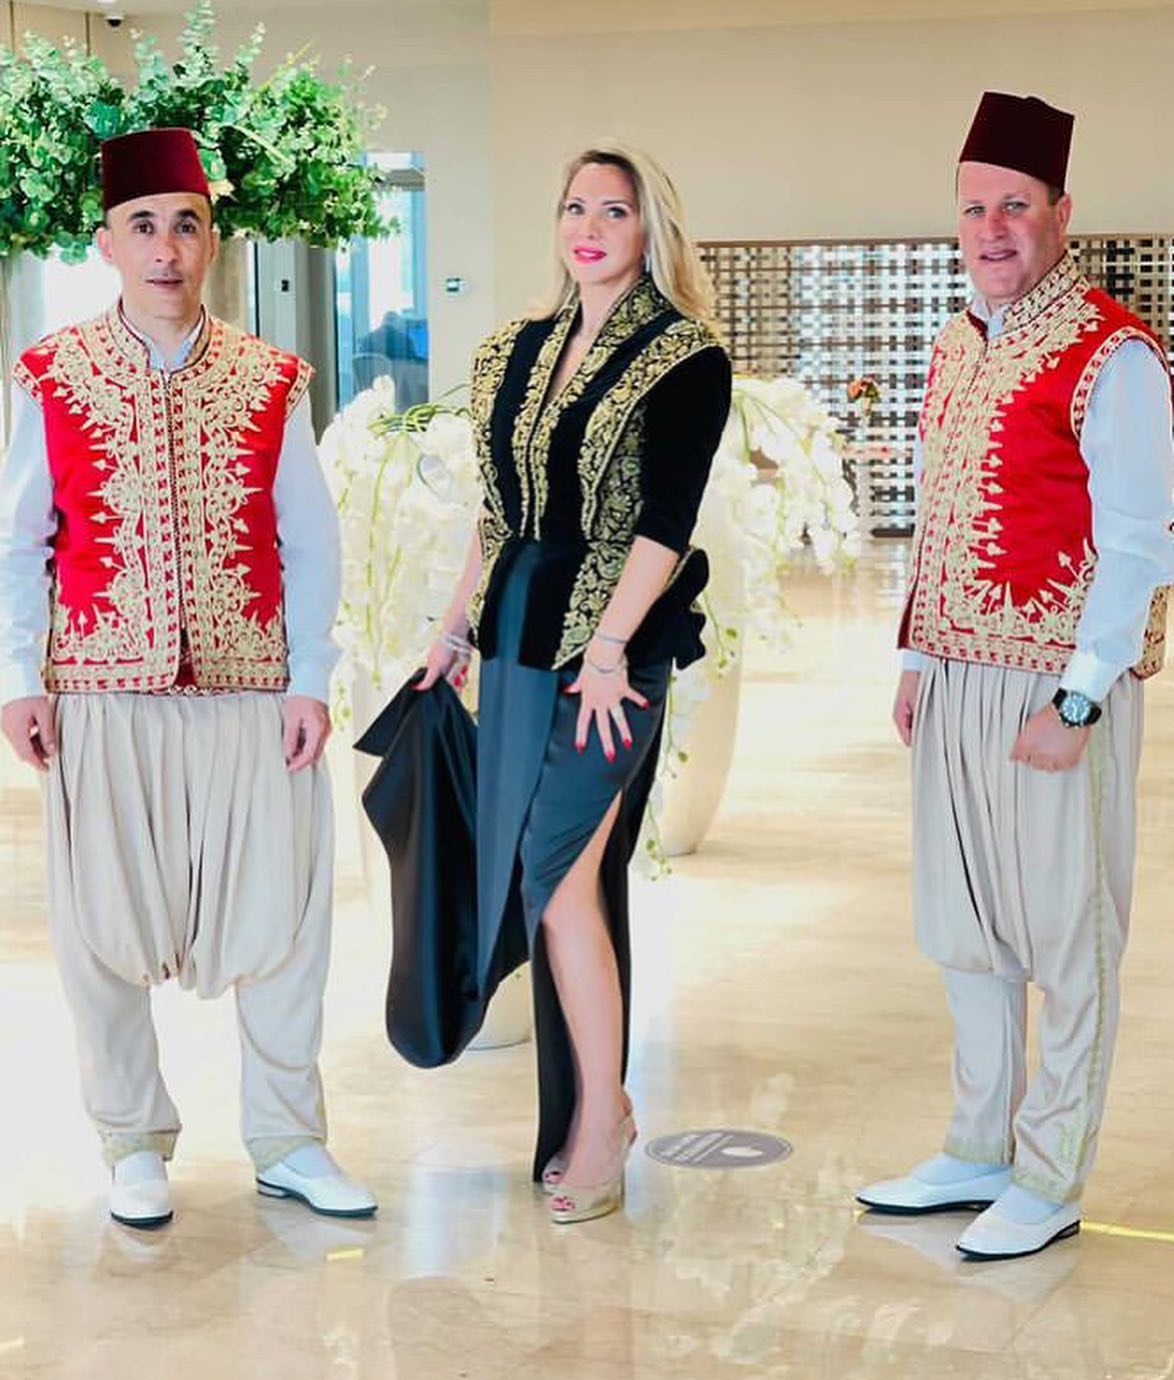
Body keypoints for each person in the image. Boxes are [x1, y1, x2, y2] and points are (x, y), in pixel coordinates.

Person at [0, 127, 376, 1228]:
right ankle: (131, 1140)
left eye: (187, 225)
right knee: (101, 930)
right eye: (143, 227)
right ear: (106, 243)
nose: (165, 249)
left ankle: (289, 1138)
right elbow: (20, 539)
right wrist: (18, 675)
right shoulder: (53, 374)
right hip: (99, 690)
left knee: (284, 921)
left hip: (252, 691)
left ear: (214, 240)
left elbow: (309, 539)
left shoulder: (270, 379)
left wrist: (310, 677)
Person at [857, 93, 1174, 1260]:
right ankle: (978, 1146)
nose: (990, 229)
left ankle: (1048, 1175)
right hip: (952, 679)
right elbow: (938, 508)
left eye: (1013, 205)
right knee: (966, 929)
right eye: (972, 208)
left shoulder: (1113, 352)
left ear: (1059, 212)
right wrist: (913, 656)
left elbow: (1141, 540)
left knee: (1065, 939)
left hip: (1054, 691)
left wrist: (1080, 696)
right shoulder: (955, 342)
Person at [417, 141, 732, 1223]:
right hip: (513, 639)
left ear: (651, 230)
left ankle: (603, 1116)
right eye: (574, 207)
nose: (588, 228)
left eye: (614, 210)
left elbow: (665, 523)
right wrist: (453, 627)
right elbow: (496, 512)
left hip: (611, 659)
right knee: (542, 884)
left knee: (559, 881)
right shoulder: (513, 347)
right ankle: (593, 1107)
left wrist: (606, 648)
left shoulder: (686, 355)